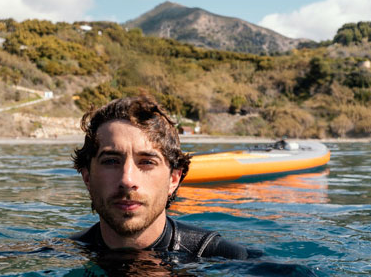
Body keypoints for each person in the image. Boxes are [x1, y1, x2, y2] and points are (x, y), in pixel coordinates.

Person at [71, 95, 249, 259]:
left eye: (147, 162)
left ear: (173, 180)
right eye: (111, 161)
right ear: (87, 177)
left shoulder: (223, 258)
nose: (127, 180)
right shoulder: (63, 254)